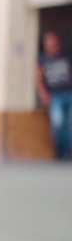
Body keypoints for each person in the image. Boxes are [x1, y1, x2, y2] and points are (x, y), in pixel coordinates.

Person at [36, 30, 72, 160]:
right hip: (55, 95)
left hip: (69, 92)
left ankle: (68, 151)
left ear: (58, 44)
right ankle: (59, 150)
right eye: (49, 45)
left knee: (70, 123)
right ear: (45, 46)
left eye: (54, 44)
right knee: (58, 122)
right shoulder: (42, 59)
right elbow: (39, 78)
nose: (52, 47)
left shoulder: (66, 56)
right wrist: (43, 94)